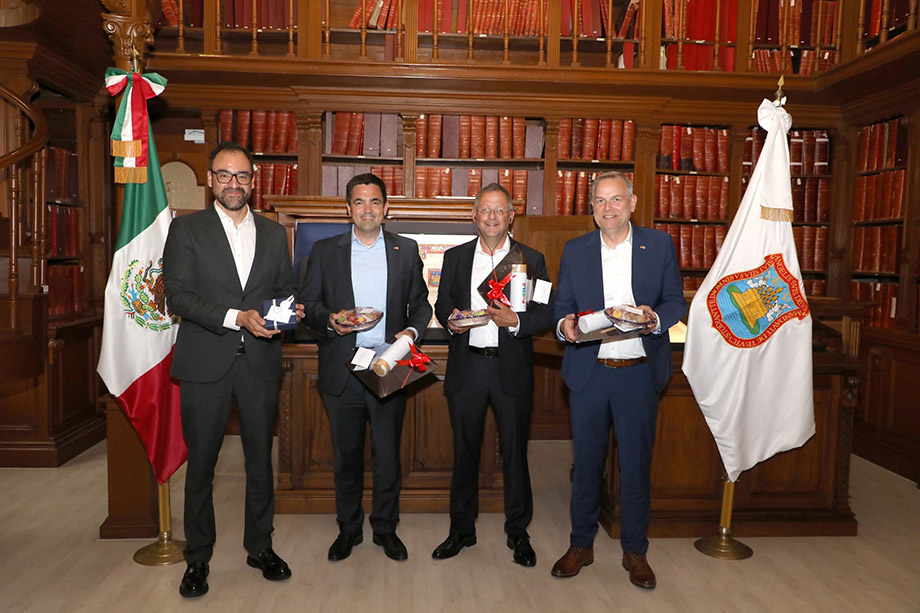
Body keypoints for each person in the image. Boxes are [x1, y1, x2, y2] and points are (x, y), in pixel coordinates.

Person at [164, 142, 302, 598]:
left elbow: (284, 290)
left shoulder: (273, 233)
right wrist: (236, 317)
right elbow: (178, 296)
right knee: (202, 465)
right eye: (224, 175)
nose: (233, 183)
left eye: (242, 176)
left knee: (260, 461)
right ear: (210, 180)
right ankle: (198, 557)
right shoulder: (186, 229)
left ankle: (260, 546)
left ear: (253, 181)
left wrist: (286, 315)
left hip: (259, 363)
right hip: (206, 362)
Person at [549, 171, 686, 588]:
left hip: (638, 375)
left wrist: (655, 319)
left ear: (632, 203)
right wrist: (565, 327)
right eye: (600, 201)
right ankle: (580, 545)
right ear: (591, 207)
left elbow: (675, 301)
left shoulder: (658, 245)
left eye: (615, 199)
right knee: (586, 466)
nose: (607, 208)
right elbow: (562, 307)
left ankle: (635, 551)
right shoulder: (576, 250)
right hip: (590, 374)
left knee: (635, 467)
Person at [300, 173, 432, 563]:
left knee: (388, 455)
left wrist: (411, 332)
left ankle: (385, 528)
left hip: (389, 364)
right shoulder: (325, 251)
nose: (368, 209)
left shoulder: (406, 250)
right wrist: (330, 320)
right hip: (342, 366)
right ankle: (349, 529)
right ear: (348, 209)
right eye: (359, 202)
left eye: (375, 201)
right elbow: (309, 304)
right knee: (347, 455)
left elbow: (421, 304)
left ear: (385, 208)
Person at [431, 184, 553, 567]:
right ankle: (461, 529)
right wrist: (451, 321)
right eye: (485, 210)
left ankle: (518, 532)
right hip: (467, 367)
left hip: (510, 368)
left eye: (500, 210)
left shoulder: (531, 259)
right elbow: (442, 304)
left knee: (515, 453)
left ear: (511, 216)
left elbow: (546, 311)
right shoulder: (455, 257)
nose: (492, 217)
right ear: (474, 215)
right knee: (464, 452)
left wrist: (517, 320)